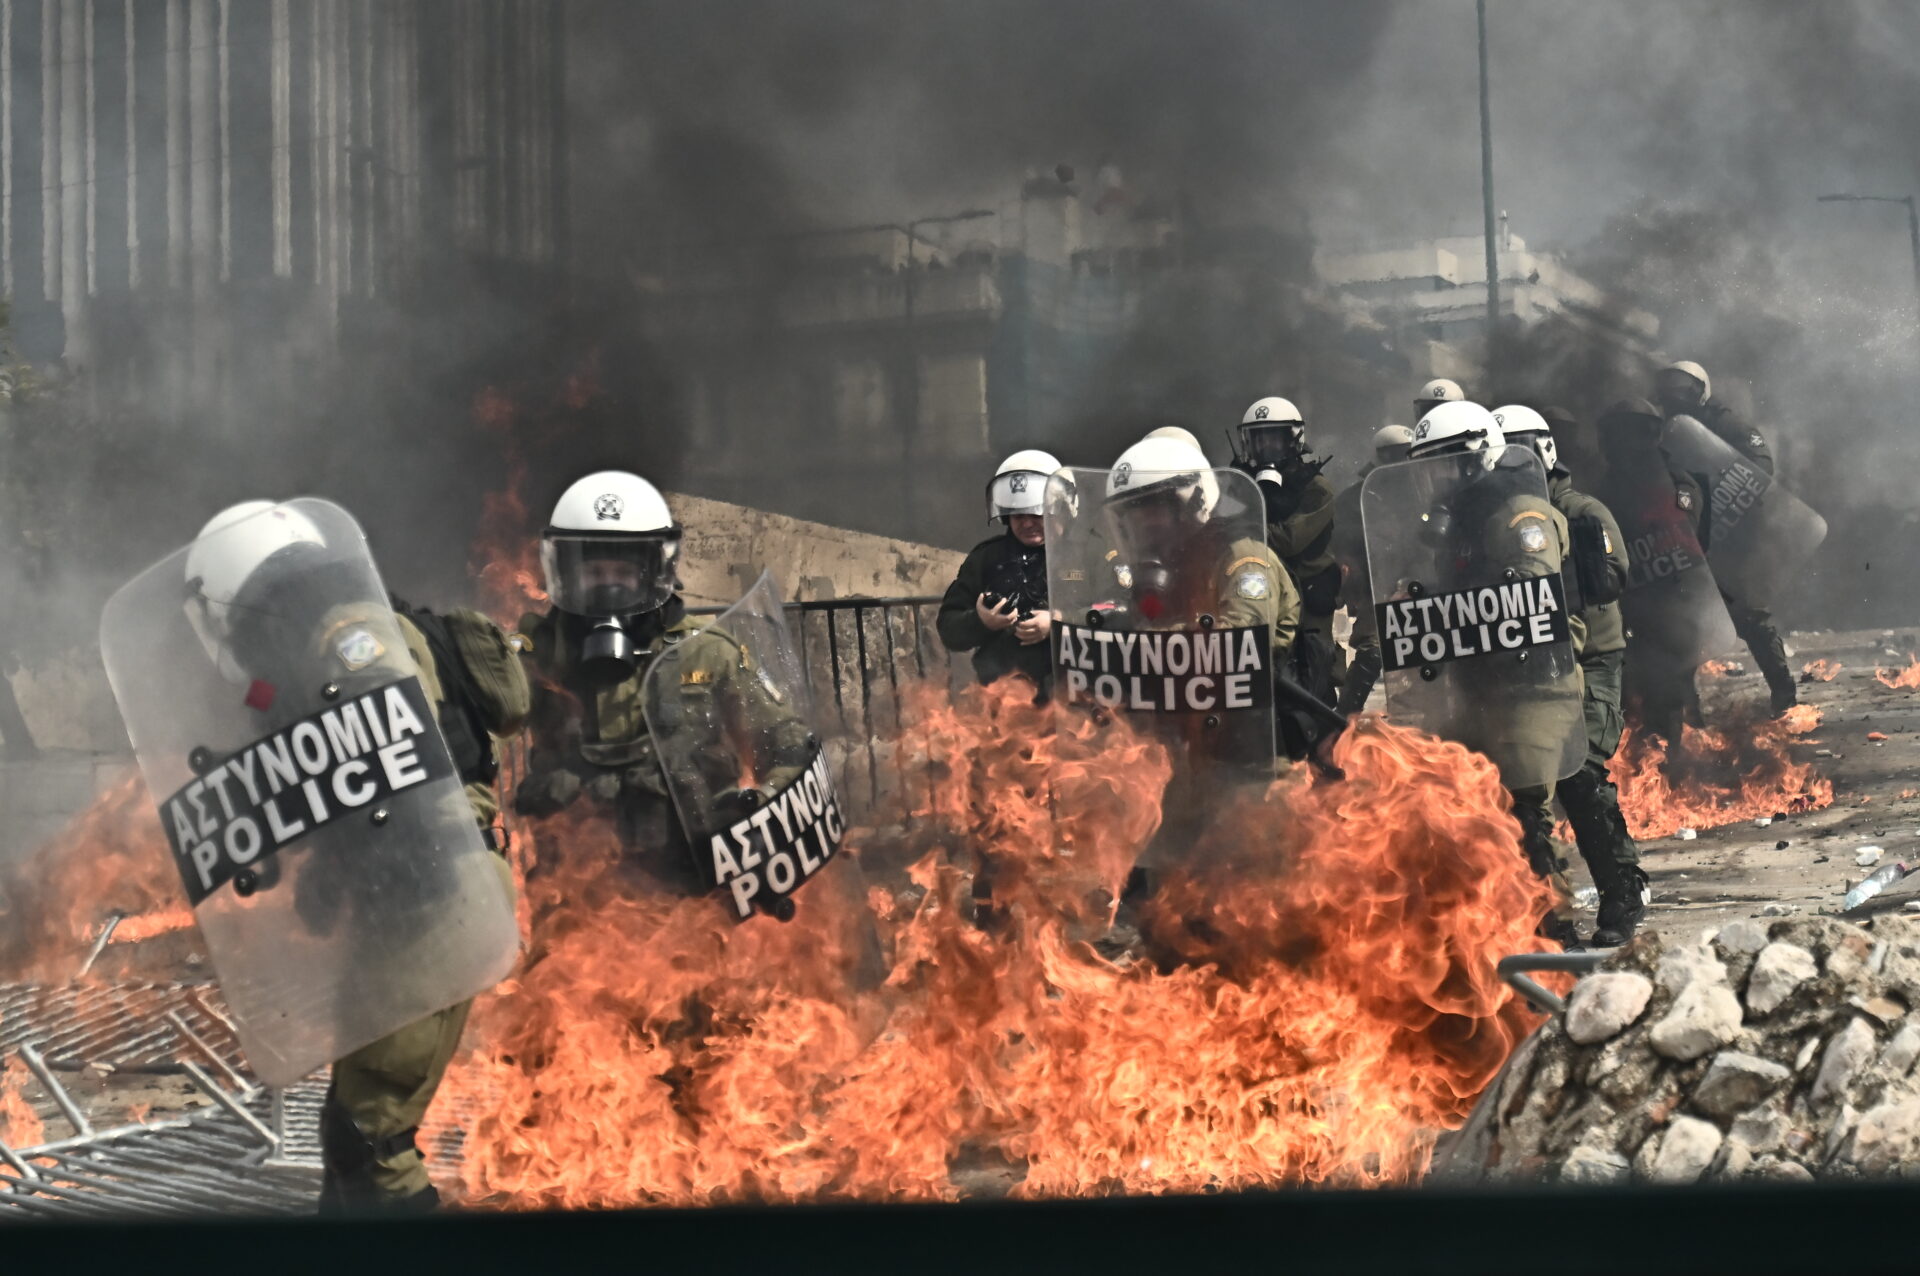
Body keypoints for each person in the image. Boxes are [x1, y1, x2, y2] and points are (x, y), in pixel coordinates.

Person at [182, 501, 530, 1214]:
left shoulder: (351, 635)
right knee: (348, 1129)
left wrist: (376, 859)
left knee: (373, 1141)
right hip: (409, 892)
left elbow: (395, 754)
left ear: (236, 589)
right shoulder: (314, 644)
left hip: (435, 891)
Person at [512, 471, 813, 899]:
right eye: (595, 572)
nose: (609, 585)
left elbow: (789, 745)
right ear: (566, 573)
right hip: (575, 892)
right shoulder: (535, 656)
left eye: (623, 570)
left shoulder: (706, 651)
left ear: (655, 572)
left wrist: (759, 806)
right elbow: (474, 739)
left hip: (694, 887)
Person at [1397, 402, 1583, 946]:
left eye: (1440, 465)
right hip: (1480, 685)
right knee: (1456, 805)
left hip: (1534, 685)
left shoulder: (1521, 513)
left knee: (1524, 809)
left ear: (1476, 457)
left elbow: (1530, 590)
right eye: (1424, 468)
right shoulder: (1460, 525)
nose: (1432, 480)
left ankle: (1558, 929)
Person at [1496, 406, 1647, 946]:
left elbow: (1613, 576)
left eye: (1522, 451)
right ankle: (1548, 915)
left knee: (1580, 771)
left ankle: (1623, 894)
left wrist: (1557, 581)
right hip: (1529, 665)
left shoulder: (1580, 512)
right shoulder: (1494, 520)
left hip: (1591, 658)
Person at [1654, 360, 1795, 715]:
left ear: (1702, 390)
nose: (1676, 395)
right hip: (1688, 536)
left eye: (1684, 387)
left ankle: (1784, 692)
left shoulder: (1726, 425)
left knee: (1747, 616)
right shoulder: (1663, 433)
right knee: (1681, 622)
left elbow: (1760, 466)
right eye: (1669, 388)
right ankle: (1687, 710)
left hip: (1729, 538)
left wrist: (1722, 493)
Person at [1232, 397, 1338, 755]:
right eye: (1259, 439)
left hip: (1307, 606)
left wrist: (1238, 526)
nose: (1266, 448)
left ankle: (1326, 766)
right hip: (1259, 594)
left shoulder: (1316, 489)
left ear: (1295, 439)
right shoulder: (1239, 484)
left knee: (1311, 691)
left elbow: (1288, 540)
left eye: (1275, 439)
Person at [937, 449, 1061, 694]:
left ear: (1057, 508)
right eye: (1017, 514)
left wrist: (1058, 623)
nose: (1026, 523)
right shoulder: (987, 559)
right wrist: (981, 622)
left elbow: (1116, 614)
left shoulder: (1082, 554)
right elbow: (949, 628)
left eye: (1035, 512)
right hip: (1003, 700)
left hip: (1071, 700)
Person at [1330, 424, 1412, 716]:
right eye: (1394, 454)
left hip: (1419, 579)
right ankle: (1343, 717)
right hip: (1376, 583)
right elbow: (1341, 542)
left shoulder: (1420, 487)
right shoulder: (1356, 498)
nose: (1401, 461)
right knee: (1373, 647)